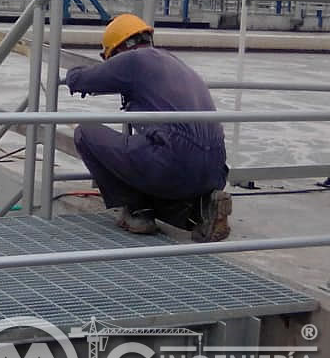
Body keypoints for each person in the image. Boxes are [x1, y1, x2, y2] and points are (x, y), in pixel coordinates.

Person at [64, 13, 231, 242]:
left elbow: (79, 80)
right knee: (162, 166)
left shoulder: (132, 61)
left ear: (118, 50)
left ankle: (136, 211)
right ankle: (202, 209)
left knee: (85, 134)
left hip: (172, 161)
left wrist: (74, 70)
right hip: (216, 170)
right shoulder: (176, 63)